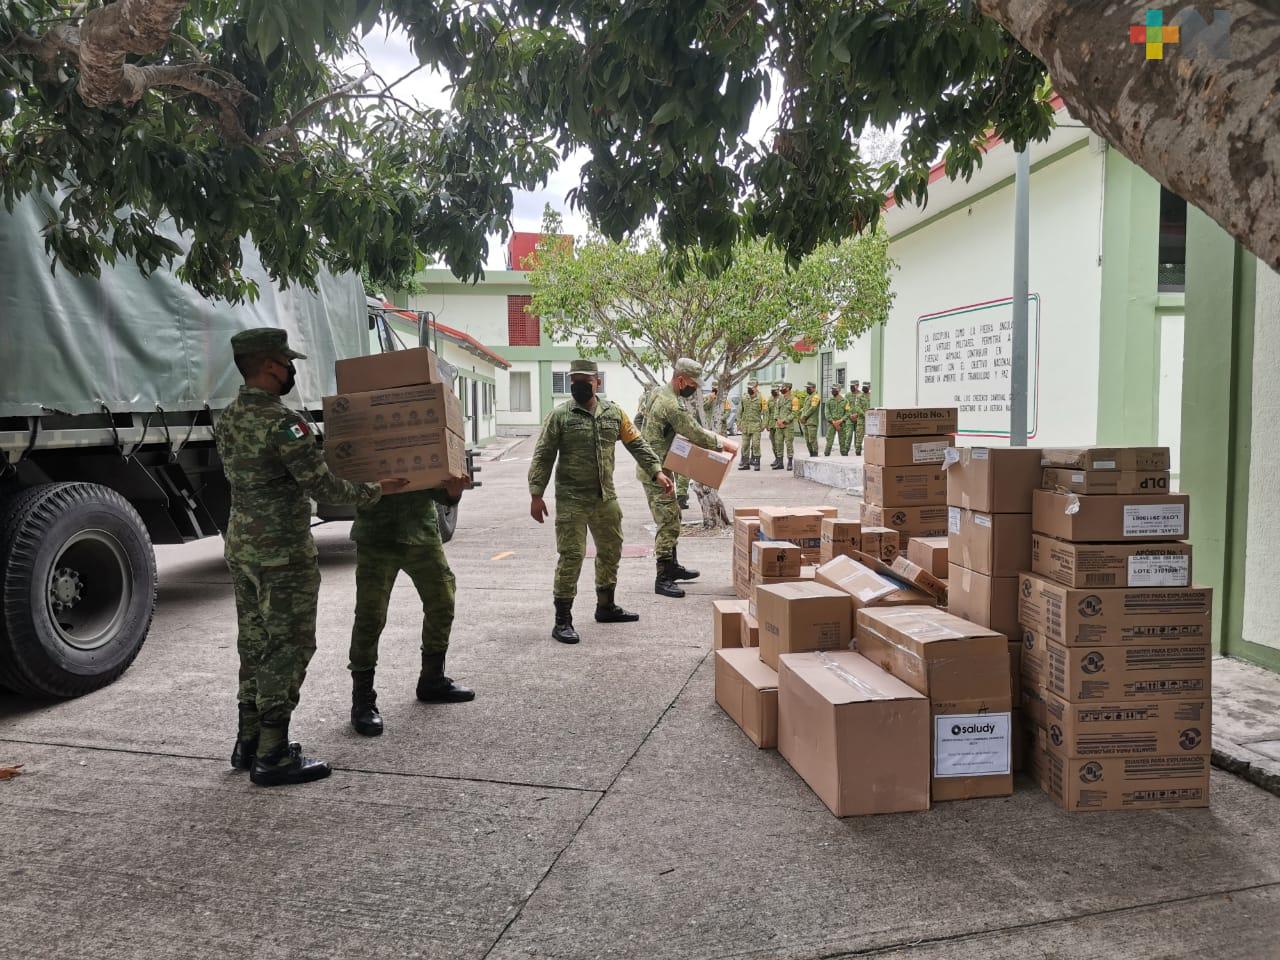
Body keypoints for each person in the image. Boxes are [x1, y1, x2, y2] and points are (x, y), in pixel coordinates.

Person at [214, 328, 406, 787]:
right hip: (281, 551)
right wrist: (376, 491)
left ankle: (249, 741)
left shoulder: (228, 418)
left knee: (254, 644)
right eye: (286, 362)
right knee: (289, 646)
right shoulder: (284, 423)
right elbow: (322, 486)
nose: (291, 370)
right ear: (269, 367)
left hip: (242, 547)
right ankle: (274, 754)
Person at [529, 359, 672, 643]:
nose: (578, 386)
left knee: (612, 549)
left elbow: (638, 445)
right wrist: (536, 493)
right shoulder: (560, 415)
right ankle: (562, 619)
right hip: (571, 499)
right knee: (571, 556)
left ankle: (605, 605)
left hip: (605, 498)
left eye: (585, 380)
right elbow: (543, 454)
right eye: (574, 381)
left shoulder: (614, 413)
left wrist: (656, 471)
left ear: (598, 383)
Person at [347, 474, 475, 738]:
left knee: (442, 600)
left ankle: (432, 680)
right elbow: (345, 483)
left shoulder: (422, 431)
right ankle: (362, 699)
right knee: (370, 616)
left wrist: (453, 493)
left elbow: (439, 488)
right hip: (376, 535)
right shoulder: (363, 434)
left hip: (421, 532)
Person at [639, 358, 739, 598]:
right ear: (681, 379)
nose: (694, 389)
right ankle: (662, 577)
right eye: (693, 384)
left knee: (674, 514)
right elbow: (693, 431)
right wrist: (722, 443)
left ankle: (672, 567)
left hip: (659, 465)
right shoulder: (671, 404)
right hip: (655, 471)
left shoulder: (656, 393)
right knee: (668, 521)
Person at [736, 379, 767, 471]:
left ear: (755, 388)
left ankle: (757, 462)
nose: (749, 389)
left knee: (756, 444)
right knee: (745, 445)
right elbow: (739, 412)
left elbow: (766, 413)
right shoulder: (744, 397)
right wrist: (739, 423)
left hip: (756, 425)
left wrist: (764, 424)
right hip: (745, 426)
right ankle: (745, 463)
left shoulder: (761, 398)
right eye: (748, 388)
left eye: (751, 388)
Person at [823, 384, 853, 457]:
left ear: (839, 390)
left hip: (842, 424)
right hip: (831, 424)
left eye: (834, 389)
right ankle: (826, 456)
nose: (832, 390)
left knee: (843, 442)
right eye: (832, 389)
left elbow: (848, 412)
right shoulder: (829, 401)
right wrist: (833, 422)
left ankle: (844, 457)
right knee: (829, 441)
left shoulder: (845, 401)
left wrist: (841, 420)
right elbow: (827, 413)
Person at [774, 382, 798, 470]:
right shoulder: (779, 399)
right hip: (779, 425)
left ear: (788, 388)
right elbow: (776, 410)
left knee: (789, 444)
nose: (781, 389)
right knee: (778, 443)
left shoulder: (794, 399)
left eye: (783, 387)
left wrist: (784, 421)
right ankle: (780, 463)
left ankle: (790, 462)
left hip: (788, 426)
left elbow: (794, 413)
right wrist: (778, 420)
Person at [799, 381, 821, 457]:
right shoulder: (808, 397)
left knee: (812, 440)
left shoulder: (816, 396)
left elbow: (813, 408)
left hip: (812, 422)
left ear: (814, 388)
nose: (807, 389)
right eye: (807, 388)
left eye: (809, 388)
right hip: (805, 422)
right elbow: (806, 408)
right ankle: (811, 454)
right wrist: (801, 414)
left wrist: (804, 416)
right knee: (807, 440)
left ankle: (815, 454)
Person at [854, 382, 872, 456]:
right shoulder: (859, 396)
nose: (864, 388)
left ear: (869, 387)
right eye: (863, 386)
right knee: (859, 437)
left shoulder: (873, 396)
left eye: (866, 387)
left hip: (871, 420)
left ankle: (870, 452)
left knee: (871, 437)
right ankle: (858, 452)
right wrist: (864, 414)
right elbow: (857, 407)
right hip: (861, 419)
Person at [768, 385, 784, 469]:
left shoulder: (782, 398)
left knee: (778, 443)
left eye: (775, 390)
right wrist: (767, 424)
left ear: (778, 390)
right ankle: (776, 459)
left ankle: (780, 460)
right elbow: (768, 412)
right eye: (772, 390)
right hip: (771, 424)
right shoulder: (770, 399)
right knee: (773, 443)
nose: (773, 392)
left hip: (778, 423)